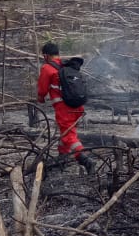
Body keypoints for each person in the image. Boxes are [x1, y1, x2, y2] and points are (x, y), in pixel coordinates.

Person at [37, 41, 96, 172]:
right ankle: (61, 159)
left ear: (46, 55)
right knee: (66, 133)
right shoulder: (67, 67)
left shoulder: (48, 68)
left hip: (64, 109)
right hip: (78, 107)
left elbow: (42, 89)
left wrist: (40, 98)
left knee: (69, 136)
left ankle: (85, 160)